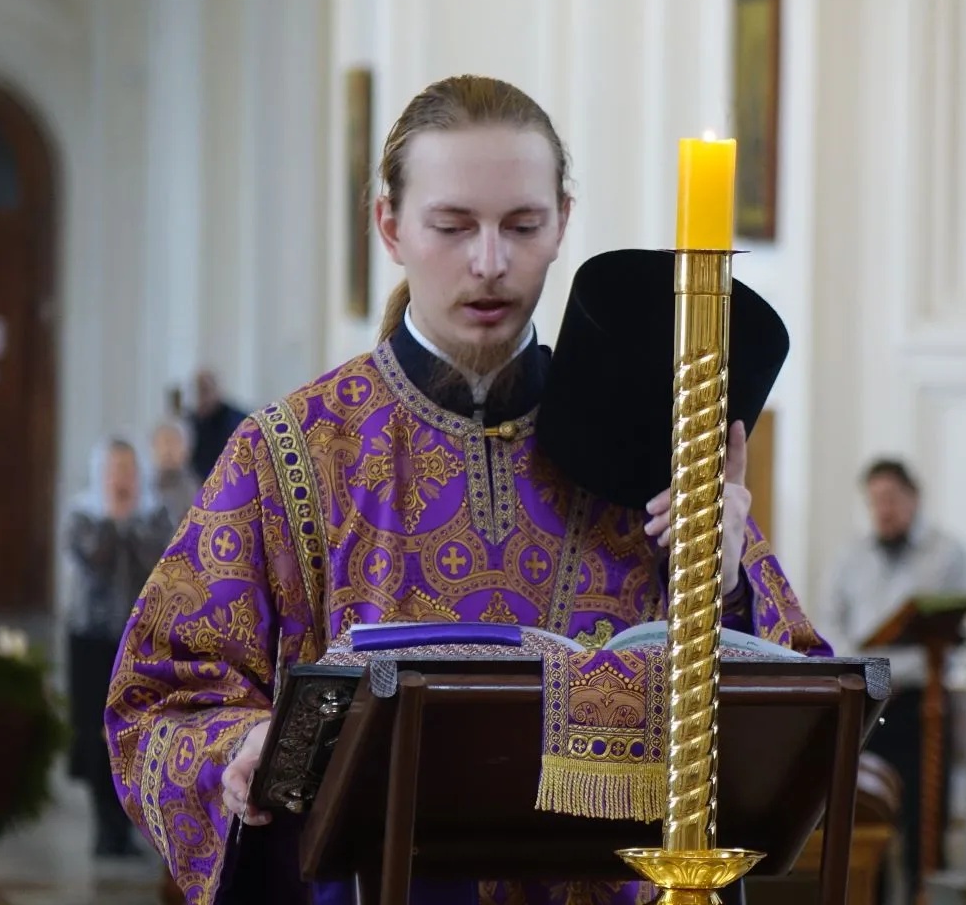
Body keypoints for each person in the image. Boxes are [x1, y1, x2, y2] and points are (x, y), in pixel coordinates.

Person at [105, 74, 831, 905]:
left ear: (562, 223)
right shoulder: (291, 453)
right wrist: (237, 749)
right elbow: (155, 703)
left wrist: (724, 582)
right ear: (390, 226)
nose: (490, 263)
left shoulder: (654, 443)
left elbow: (801, 697)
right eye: (453, 226)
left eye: (522, 226)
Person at [823, 457, 966, 901]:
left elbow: (948, 640)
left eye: (891, 499)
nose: (883, 511)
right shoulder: (850, 557)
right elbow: (831, 627)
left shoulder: (947, 554)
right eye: (875, 502)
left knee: (925, 818)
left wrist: (878, 663)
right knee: (867, 816)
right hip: (866, 703)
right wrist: (865, 663)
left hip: (920, 704)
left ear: (913, 497)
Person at [65, 437, 174, 857]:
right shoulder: (83, 515)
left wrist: (131, 521)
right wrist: (113, 518)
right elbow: (94, 558)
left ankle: (132, 825)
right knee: (95, 733)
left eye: (128, 469)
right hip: (92, 639)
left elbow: (160, 564)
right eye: (114, 470)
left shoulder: (156, 516)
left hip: (142, 641)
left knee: (136, 729)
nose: (121, 478)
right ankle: (105, 826)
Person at [187, 371, 247, 482]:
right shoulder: (190, 421)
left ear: (217, 390)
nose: (202, 397)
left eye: (205, 390)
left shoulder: (236, 420)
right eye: (197, 392)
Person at [149, 417, 201, 526]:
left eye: (173, 442)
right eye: (163, 443)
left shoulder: (196, 493)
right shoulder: (142, 488)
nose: (167, 450)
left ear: (186, 450)